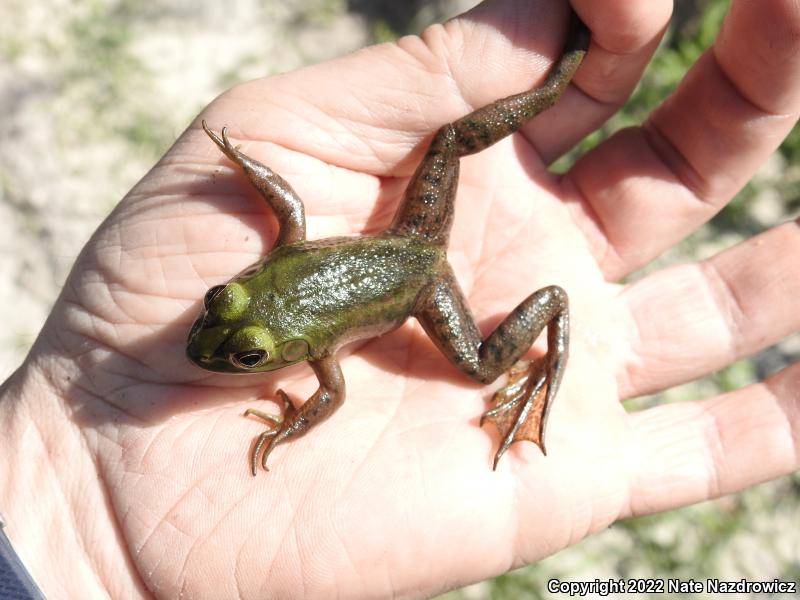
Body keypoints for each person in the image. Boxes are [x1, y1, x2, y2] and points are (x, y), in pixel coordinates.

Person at [1, 0, 798, 597]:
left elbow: (317, 327)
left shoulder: (311, 334)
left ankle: (556, 109)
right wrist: (251, 169)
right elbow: (299, 239)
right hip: (407, 248)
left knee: (484, 361)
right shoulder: (295, 301)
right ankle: (558, 79)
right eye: (229, 317)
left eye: (229, 320)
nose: (205, 335)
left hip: (422, 272)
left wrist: (290, 414)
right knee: (448, 147)